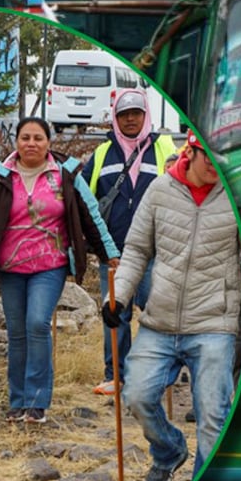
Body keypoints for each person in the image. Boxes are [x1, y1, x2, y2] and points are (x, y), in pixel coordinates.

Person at [102, 136, 241, 481]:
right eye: (208, 156)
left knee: (213, 415)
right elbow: (135, 250)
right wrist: (116, 297)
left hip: (214, 323)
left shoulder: (238, 194)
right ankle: (168, 452)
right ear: (190, 152)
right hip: (160, 320)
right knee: (136, 395)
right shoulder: (160, 190)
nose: (216, 164)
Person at [0, 117, 120, 425]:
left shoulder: (65, 174)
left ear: (49, 143)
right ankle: (17, 401)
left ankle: (36, 402)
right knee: (17, 332)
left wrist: (109, 253)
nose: (31, 143)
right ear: (16, 142)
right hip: (10, 265)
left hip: (50, 264)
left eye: (38, 138)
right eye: (25, 138)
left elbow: (91, 214)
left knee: (37, 323)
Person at [85, 89, 178, 398]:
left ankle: (157, 374)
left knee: (157, 312)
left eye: (136, 113)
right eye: (124, 115)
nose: (130, 119)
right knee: (115, 315)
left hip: (157, 251)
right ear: (116, 117)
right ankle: (116, 376)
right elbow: (84, 195)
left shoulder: (164, 146)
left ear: (145, 114)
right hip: (113, 253)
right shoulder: (102, 153)